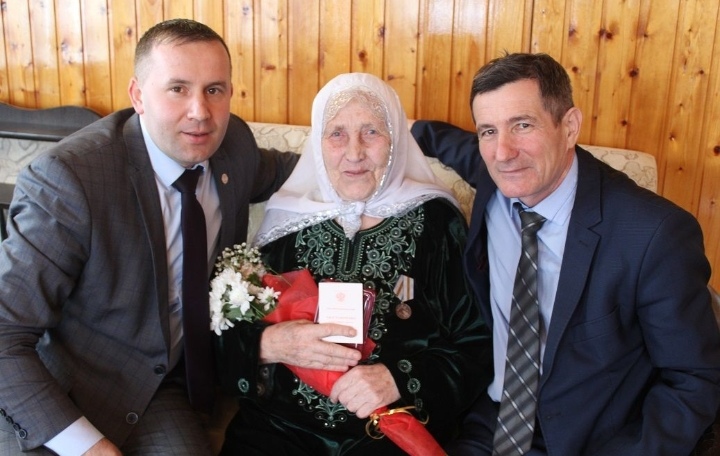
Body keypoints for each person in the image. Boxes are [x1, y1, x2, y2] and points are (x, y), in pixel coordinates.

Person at [0, 19, 298, 455]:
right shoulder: (71, 180)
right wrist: (91, 449)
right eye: (177, 88)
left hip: (161, 386)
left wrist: (374, 159)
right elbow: (4, 334)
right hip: (60, 388)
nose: (200, 111)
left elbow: (295, 170)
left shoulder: (233, 145)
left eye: (214, 90)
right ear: (138, 95)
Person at [409, 52, 720, 455]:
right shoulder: (495, 173)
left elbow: (694, 380)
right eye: (488, 130)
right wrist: (396, 130)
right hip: (488, 422)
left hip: (589, 440)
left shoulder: (653, 234)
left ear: (569, 126)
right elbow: (446, 141)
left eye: (523, 125)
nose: (503, 151)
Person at [214, 72, 493, 455]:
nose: (355, 152)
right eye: (337, 134)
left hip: (385, 432)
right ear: (318, 143)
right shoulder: (287, 220)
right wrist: (266, 344)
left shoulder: (436, 222)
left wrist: (398, 379)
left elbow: (477, 343)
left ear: (395, 139)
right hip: (277, 431)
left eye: (371, 132)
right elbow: (223, 333)